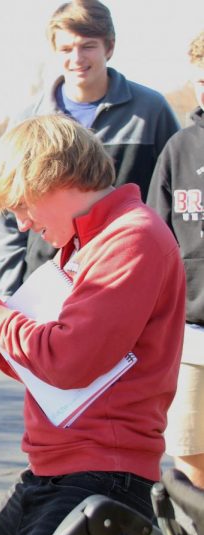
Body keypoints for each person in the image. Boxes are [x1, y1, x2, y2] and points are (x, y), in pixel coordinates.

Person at [0, 115, 186, 535]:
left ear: (56, 178)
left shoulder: (131, 238)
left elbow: (68, 363)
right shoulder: (84, 244)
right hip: (54, 470)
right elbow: (31, 363)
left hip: (101, 472)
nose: (22, 222)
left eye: (22, 205)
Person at [0, 0, 180, 298]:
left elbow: (174, 193)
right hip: (47, 279)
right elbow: (6, 212)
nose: (77, 58)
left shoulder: (151, 110)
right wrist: (8, 291)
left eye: (87, 46)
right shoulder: (28, 120)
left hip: (124, 275)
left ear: (110, 47)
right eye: (66, 49)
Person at [149, 30, 204, 488]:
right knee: (190, 451)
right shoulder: (179, 149)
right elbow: (156, 240)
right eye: (202, 80)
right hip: (189, 333)